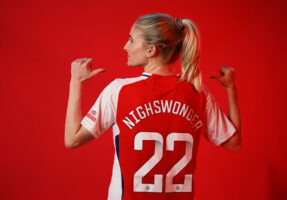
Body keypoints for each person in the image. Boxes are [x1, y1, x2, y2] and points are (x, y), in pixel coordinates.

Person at [65, 13, 241, 200]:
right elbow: (234, 142)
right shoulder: (197, 91)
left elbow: (72, 139)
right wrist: (231, 88)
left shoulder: (119, 91)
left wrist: (76, 81)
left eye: (131, 41)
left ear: (151, 50)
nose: (126, 46)